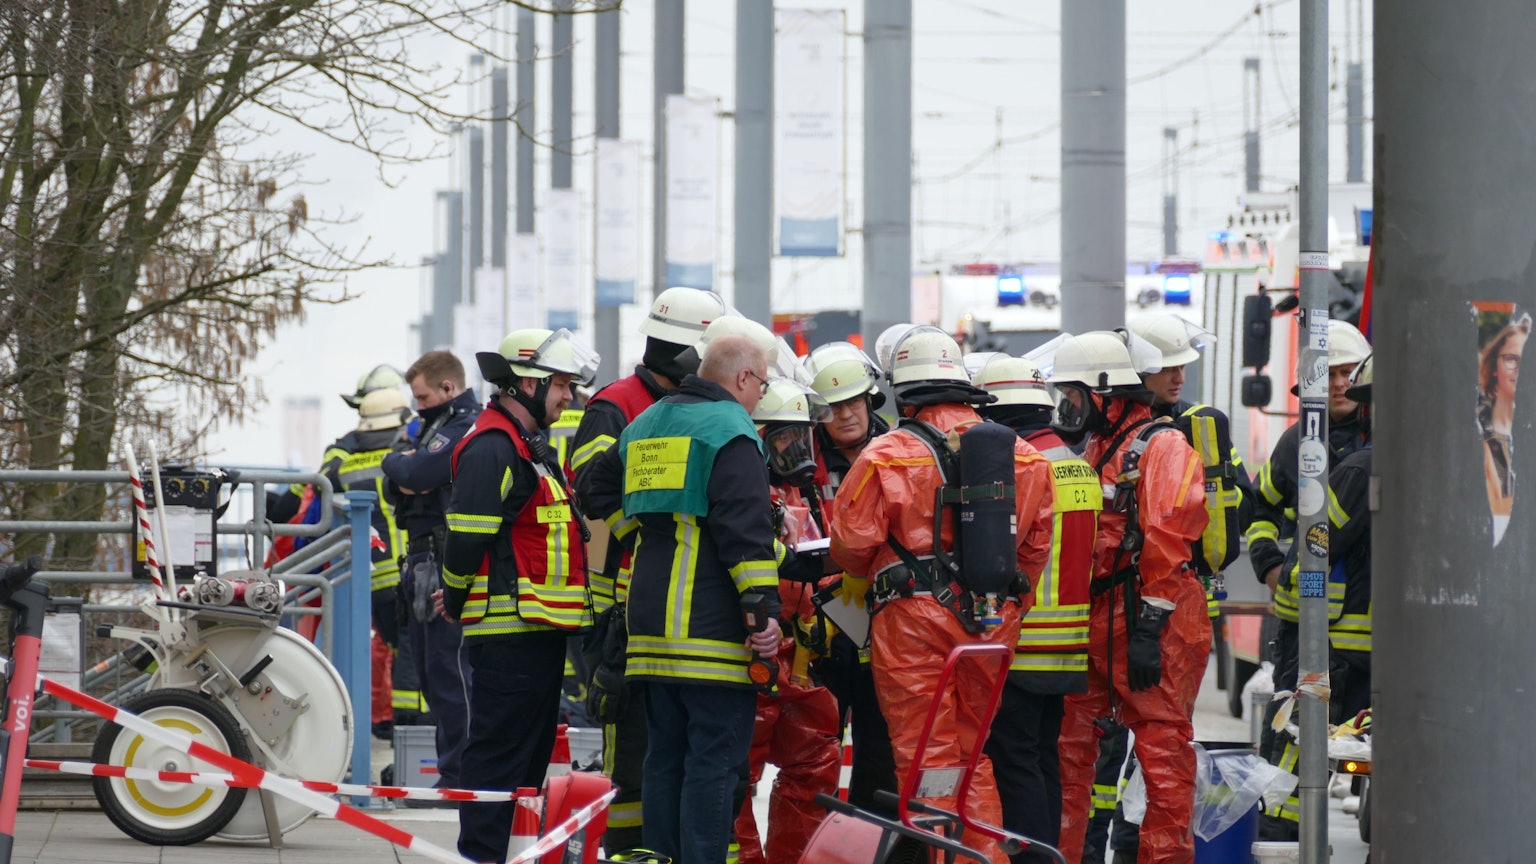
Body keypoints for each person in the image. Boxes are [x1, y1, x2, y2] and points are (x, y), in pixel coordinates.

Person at [829, 325, 1055, 864]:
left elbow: (850, 547)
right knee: (971, 756)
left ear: (902, 391)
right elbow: (1035, 547)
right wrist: (1002, 607)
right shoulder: (1024, 457)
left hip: (912, 629)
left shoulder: (886, 457)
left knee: (926, 763)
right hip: (991, 624)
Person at [583, 332, 782, 864]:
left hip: (648, 625)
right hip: (709, 628)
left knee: (663, 759)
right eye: (762, 384)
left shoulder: (645, 423)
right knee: (714, 766)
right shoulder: (731, 430)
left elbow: (593, 490)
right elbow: (745, 532)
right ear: (743, 378)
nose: (761, 396)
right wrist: (763, 610)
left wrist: (639, 535)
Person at [568, 286, 728, 856]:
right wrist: (646, 534)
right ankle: (631, 852)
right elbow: (592, 490)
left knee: (674, 748)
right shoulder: (617, 405)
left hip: (677, 598)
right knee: (634, 748)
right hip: (623, 605)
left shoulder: (686, 407)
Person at [439, 328, 598, 864]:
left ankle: (511, 854)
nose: (567, 397)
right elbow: (465, 541)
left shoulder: (529, 449)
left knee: (523, 767)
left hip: (536, 632)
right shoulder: (492, 447)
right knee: (497, 760)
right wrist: (455, 598)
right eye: (560, 385)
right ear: (527, 382)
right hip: (509, 634)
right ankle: (481, 857)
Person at [1051, 332, 1210, 864]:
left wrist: (1150, 627)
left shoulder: (1164, 447)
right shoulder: (1101, 449)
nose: (1067, 410)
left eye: (1073, 398)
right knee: (1069, 752)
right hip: (1101, 616)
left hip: (1154, 618)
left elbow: (1167, 536)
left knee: (1163, 757)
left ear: (1107, 395)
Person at [1246, 319, 1370, 840]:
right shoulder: (1297, 444)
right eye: (1330, 376)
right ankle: (1279, 845)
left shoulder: (1381, 439)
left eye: (1348, 373)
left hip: (1362, 632)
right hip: (1304, 630)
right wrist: (1270, 564)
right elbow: (1259, 508)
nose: (1340, 384)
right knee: (1292, 749)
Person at [972, 355, 1097, 863]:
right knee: (1043, 760)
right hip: (1067, 647)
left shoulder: (1024, 466)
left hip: (1024, 643)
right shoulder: (1076, 462)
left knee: (1015, 762)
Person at [733, 377, 842, 864]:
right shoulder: (745, 491)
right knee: (734, 775)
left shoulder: (800, 496)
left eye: (802, 438)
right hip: (748, 655)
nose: (797, 451)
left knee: (817, 757)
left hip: (795, 660)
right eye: (784, 439)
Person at [801, 340, 897, 815]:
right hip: (821, 636)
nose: (845, 415)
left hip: (889, 630)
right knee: (814, 760)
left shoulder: (900, 453)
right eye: (832, 408)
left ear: (870, 399)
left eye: (853, 402)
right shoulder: (795, 460)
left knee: (883, 764)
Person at [381, 349, 480, 797]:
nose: (417, 406)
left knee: (449, 671)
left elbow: (417, 472)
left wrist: (404, 462)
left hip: (443, 561)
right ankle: (452, 772)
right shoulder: (434, 426)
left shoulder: (463, 425)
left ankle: (461, 776)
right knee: (428, 673)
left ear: (448, 388)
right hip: (422, 562)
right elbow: (398, 479)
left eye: (422, 397)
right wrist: (404, 466)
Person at [1479, 314, 1528, 543]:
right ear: (1495, 366)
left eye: (1526, 359)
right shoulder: (1475, 435)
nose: (1519, 368)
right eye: (1511, 359)